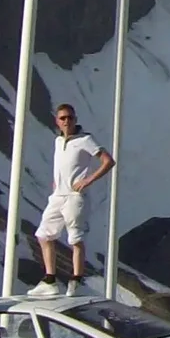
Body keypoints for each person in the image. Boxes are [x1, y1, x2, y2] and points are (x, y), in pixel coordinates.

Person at [33, 103, 113, 295]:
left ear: (75, 119)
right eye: (63, 118)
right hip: (57, 195)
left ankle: (76, 280)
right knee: (43, 234)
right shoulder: (58, 141)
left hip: (75, 196)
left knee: (75, 238)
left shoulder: (85, 140)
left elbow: (108, 161)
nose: (66, 121)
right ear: (57, 121)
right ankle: (50, 279)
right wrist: (56, 182)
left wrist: (88, 180)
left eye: (70, 117)